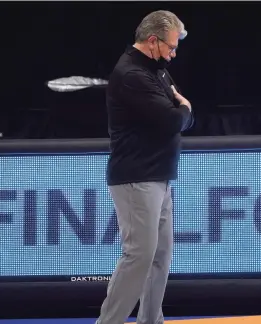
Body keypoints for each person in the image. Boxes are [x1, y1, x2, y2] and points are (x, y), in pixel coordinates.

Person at [97, 10, 193, 324]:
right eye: (171, 46)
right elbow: (172, 119)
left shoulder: (157, 71)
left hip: (159, 176)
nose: (173, 53)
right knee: (138, 256)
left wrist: (182, 111)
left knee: (160, 257)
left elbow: (181, 117)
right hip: (137, 178)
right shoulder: (132, 75)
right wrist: (184, 107)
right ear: (152, 41)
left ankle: (151, 321)